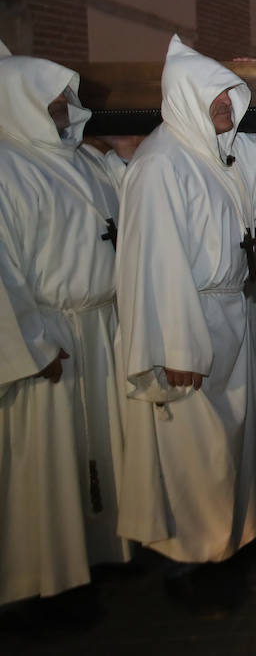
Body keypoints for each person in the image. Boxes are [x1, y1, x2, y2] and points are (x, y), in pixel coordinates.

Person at [115, 36, 256, 610]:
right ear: (185, 98)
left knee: (229, 445)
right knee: (193, 450)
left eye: (230, 94)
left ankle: (228, 544)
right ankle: (192, 566)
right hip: (188, 324)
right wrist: (177, 346)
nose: (228, 104)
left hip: (225, 313)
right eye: (216, 96)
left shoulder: (206, 155)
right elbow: (155, 265)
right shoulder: (158, 165)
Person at [0, 48, 129, 615]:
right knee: (45, 466)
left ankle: (100, 554)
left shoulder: (80, 160)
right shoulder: (7, 169)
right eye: (49, 97)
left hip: (99, 327)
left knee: (100, 449)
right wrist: (31, 345)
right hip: (50, 334)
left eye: (64, 96)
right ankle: (40, 591)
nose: (63, 105)